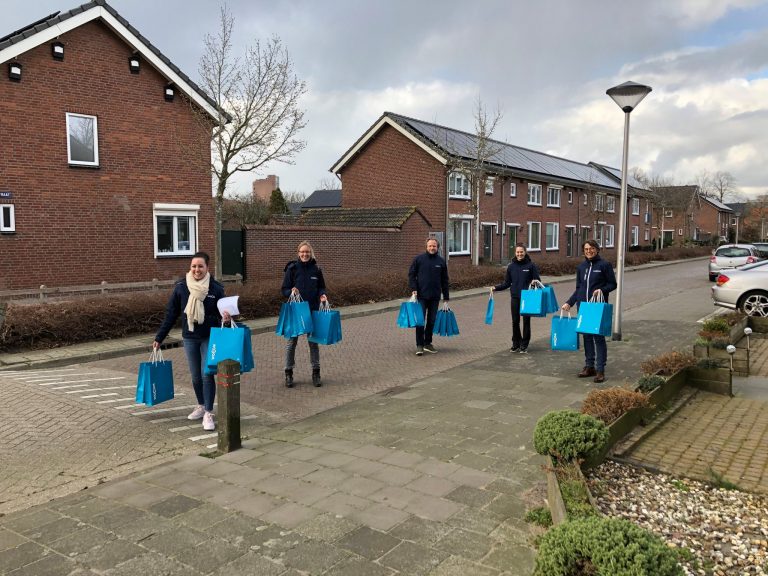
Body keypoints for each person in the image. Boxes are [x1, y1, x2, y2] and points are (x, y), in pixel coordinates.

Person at [154, 252, 230, 431]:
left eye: (200, 266)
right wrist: (159, 337)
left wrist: (225, 319)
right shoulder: (181, 287)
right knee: (195, 376)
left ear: (207, 268)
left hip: (209, 336)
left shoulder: (216, 289)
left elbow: (223, 314)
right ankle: (201, 405)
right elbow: (171, 314)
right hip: (189, 337)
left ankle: (208, 413)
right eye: (194, 266)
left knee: (206, 374)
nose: (197, 269)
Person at [561, 239, 617, 383]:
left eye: (591, 248)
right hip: (583, 307)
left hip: (597, 306)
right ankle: (589, 366)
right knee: (586, 337)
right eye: (586, 249)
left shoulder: (604, 265)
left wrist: (602, 290)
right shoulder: (581, 267)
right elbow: (578, 288)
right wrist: (569, 302)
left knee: (598, 338)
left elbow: (612, 284)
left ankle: (600, 370)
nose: (589, 251)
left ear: (597, 249)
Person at [281, 240, 327, 387]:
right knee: (291, 342)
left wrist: (322, 295)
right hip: (296, 311)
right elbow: (284, 289)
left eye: (307, 252)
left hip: (312, 310)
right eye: (302, 252)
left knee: (313, 343)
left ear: (310, 253)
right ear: (298, 253)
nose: (305, 254)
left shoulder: (316, 269)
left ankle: (316, 373)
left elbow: (321, 287)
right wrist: (291, 291)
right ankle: (288, 372)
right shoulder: (292, 269)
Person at [492, 243, 541, 353]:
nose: (519, 254)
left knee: (526, 321)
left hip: (527, 298)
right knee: (515, 321)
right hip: (515, 297)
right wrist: (496, 288)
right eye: (518, 252)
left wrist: (534, 282)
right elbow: (507, 283)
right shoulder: (511, 267)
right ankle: (516, 343)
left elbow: (538, 281)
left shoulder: (531, 265)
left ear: (525, 252)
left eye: (521, 252)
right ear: (515, 253)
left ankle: (524, 344)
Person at [408, 237, 450, 356]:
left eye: (434, 246)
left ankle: (428, 343)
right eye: (430, 246)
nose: (432, 248)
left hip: (435, 297)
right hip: (421, 296)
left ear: (438, 247)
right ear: (426, 247)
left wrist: (446, 297)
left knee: (431, 321)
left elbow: (445, 280)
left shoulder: (441, 261)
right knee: (420, 321)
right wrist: (414, 289)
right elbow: (411, 275)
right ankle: (419, 345)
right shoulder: (419, 259)